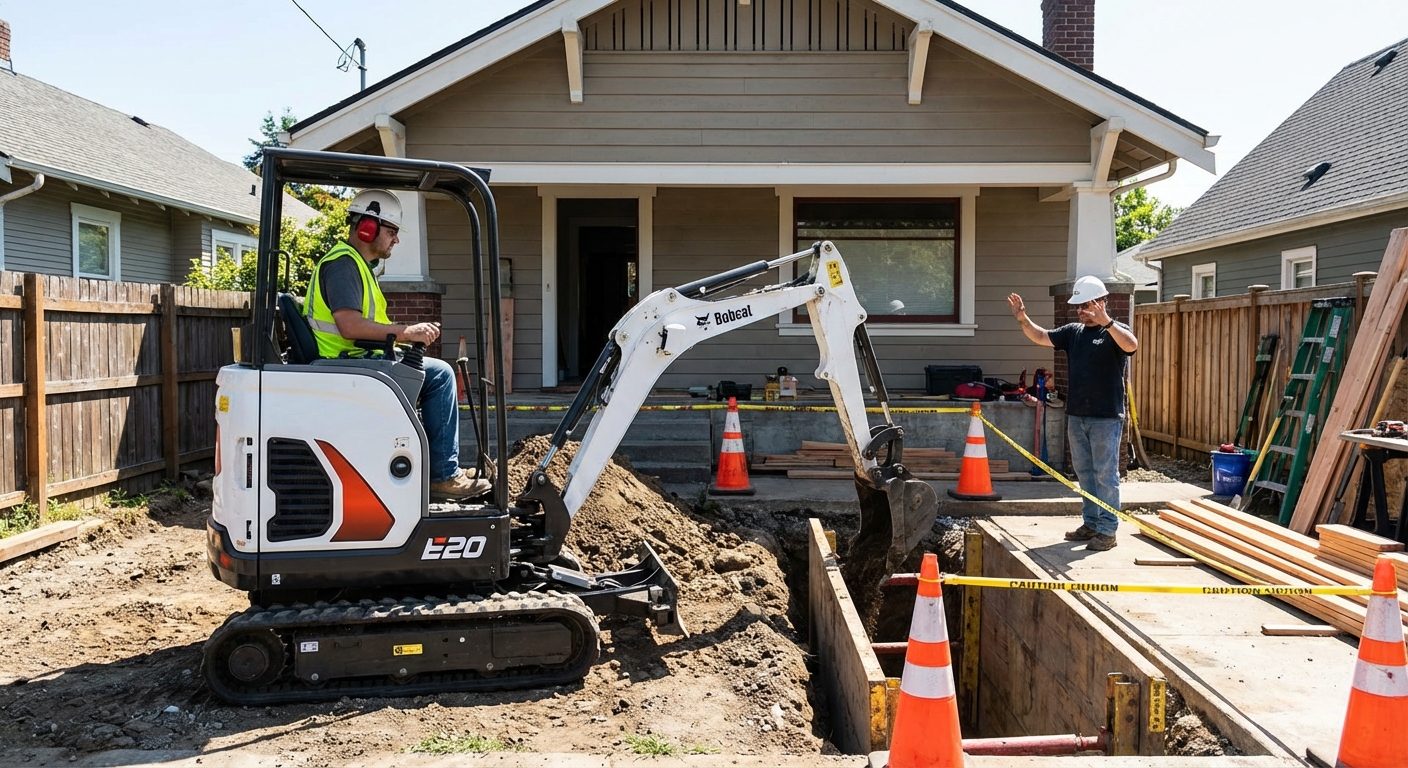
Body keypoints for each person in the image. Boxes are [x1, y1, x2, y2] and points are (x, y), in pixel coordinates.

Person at [304, 189, 489, 500]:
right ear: (367, 228)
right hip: (344, 364)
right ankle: (443, 475)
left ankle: (441, 468)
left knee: (428, 371)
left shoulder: (357, 266)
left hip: (353, 360)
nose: (396, 240)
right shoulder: (343, 266)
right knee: (441, 375)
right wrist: (407, 331)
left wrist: (402, 338)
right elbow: (349, 327)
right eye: (391, 232)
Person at [1007, 276, 1138, 551]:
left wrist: (1108, 323)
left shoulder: (1115, 331)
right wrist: (1022, 319)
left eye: (1084, 305)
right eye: (1077, 306)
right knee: (1085, 473)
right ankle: (1090, 523)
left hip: (1106, 417)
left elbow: (1131, 346)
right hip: (1077, 415)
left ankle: (1107, 530)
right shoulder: (1073, 332)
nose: (1079, 311)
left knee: (1106, 475)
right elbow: (1041, 336)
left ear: (1101, 302)